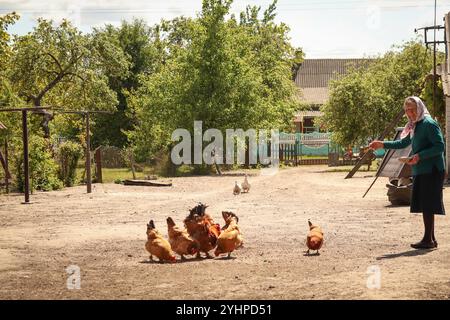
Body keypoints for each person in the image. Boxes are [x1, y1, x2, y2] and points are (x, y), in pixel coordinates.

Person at [369, 96, 445, 249]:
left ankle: (428, 240)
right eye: (406, 110)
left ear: (419, 108)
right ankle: (431, 239)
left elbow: (439, 147)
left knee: (427, 204)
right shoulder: (414, 125)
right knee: (425, 203)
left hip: (432, 169)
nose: (409, 113)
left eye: (412, 109)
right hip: (421, 169)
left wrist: (419, 156)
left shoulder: (429, 124)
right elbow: (403, 143)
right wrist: (382, 144)